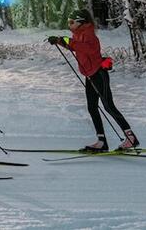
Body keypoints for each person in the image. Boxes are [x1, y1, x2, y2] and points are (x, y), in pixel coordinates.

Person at [48, 9, 140, 152]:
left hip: (99, 74)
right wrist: (59, 41)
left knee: (109, 107)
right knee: (92, 108)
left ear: (81, 22)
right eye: (69, 22)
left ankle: (131, 138)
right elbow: (73, 45)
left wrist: (64, 41)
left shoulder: (90, 35)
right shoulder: (77, 35)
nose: (69, 25)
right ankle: (101, 141)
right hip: (89, 76)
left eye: (72, 22)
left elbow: (86, 49)